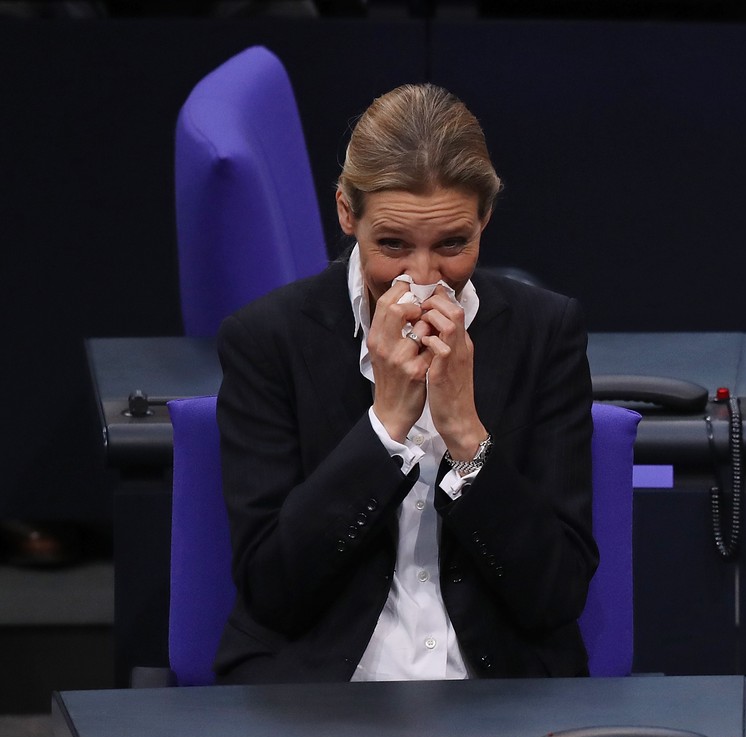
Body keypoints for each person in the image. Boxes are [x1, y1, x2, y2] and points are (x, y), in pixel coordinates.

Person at [214, 83, 595, 683]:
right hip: (320, 689)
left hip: (498, 690)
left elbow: (557, 594)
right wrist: (384, 429)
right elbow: (271, 590)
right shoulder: (268, 341)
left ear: (484, 220)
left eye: (452, 244)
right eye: (392, 245)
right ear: (346, 213)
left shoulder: (545, 335)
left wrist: (467, 437)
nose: (422, 279)